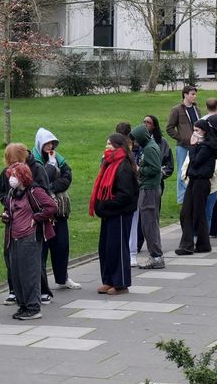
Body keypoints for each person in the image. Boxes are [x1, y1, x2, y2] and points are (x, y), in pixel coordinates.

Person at [3, 161, 57, 320]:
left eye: (15, 175)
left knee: (29, 273)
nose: (12, 179)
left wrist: (37, 217)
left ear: (23, 176)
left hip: (30, 237)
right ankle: (23, 305)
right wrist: (7, 216)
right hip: (14, 237)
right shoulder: (12, 193)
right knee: (16, 272)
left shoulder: (34, 190)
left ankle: (33, 307)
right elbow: (9, 209)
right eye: (10, 175)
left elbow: (51, 206)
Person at [90, 132, 139, 294]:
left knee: (117, 247)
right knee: (105, 247)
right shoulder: (109, 163)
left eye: (110, 144)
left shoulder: (123, 166)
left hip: (119, 213)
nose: (107, 147)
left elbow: (125, 195)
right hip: (109, 213)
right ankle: (108, 279)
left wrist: (104, 205)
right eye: (106, 144)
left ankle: (121, 283)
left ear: (118, 146)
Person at [33, 128, 80, 296]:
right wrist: (51, 168)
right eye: (46, 143)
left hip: (59, 210)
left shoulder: (59, 159)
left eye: (52, 142)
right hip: (43, 213)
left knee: (61, 245)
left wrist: (51, 188)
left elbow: (67, 177)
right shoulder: (34, 161)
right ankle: (41, 284)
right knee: (42, 249)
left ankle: (63, 278)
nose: (50, 145)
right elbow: (40, 179)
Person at [175, 119, 216, 255]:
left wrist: (192, 146)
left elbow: (196, 161)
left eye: (197, 130)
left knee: (198, 213)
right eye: (194, 130)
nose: (194, 133)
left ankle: (195, 245)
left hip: (201, 182)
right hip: (194, 180)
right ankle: (193, 244)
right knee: (186, 212)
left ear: (204, 131)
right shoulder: (202, 145)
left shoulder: (206, 146)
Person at [130, 122, 165, 269]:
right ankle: (155, 255)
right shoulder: (149, 146)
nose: (135, 142)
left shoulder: (149, 149)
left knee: (149, 223)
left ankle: (156, 256)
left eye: (136, 139)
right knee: (149, 223)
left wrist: (139, 169)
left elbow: (155, 169)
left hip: (149, 190)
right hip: (150, 188)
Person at [165, 85, 199, 205]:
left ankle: (192, 196)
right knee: (182, 171)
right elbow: (169, 128)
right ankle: (181, 199)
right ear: (185, 95)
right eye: (192, 94)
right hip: (183, 146)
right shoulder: (177, 109)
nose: (194, 96)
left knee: (193, 170)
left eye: (195, 94)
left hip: (196, 145)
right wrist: (182, 138)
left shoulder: (196, 109)